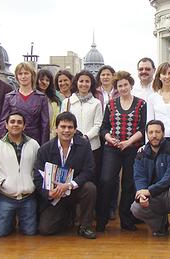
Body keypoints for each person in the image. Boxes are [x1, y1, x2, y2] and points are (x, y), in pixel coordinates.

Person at [34, 112, 98, 239]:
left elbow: (89, 170)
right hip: (55, 194)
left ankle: (85, 226)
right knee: (45, 229)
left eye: (70, 127)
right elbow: (37, 176)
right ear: (56, 128)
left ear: (75, 129)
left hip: (74, 189)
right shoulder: (44, 149)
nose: (66, 130)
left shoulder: (84, 145)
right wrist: (48, 193)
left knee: (90, 188)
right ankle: (68, 216)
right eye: (63, 127)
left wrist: (69, 185)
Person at [97, 70, 147, 232]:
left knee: (129, 183)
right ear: (116, 88)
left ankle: (126, 219)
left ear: (130, 85)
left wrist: (129, 142)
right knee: (106, 180)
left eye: (126, 84)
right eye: (120, 85)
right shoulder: (111, 104)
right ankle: (102, 219)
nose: (123, 88)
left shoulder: (141, 104)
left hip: (133, 148)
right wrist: (109, 138)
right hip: (112, 148)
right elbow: (104, 127)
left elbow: (142, 127)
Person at [130, 120, 170, 243]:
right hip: (153, 198)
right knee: (135, 208)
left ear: (163, 133)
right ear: (147, 135)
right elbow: (139, 177)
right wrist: (142, 195)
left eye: (157, 132)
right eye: (151, 132)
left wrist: (149, 191)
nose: (154, 135)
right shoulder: (141, 154)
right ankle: (160, 224)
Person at [0, 111, 40, 237]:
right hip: (6, 196)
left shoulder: (33, 144)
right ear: (6, 125)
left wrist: (32, 182)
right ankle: (9, 222)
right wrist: (2, 182)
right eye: (12, 122)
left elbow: (39, 168)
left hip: (28, 197)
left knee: (30, 233)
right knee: (0, 233)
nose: (15, 125)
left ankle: (18, 222)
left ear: (24, 126)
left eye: (19, 122)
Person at [61, 70, 103, 188]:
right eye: (81, 81)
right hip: (71, 145)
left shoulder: (96, 103)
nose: (84, 84)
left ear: (91, 84)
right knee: (71, 177)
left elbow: (98, 124)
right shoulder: (67, 102)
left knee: (91, 179)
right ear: (76, 83)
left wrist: (85, 137)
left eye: (87, 81)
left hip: (92, 147)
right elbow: (63, 122)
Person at [93, 65, 120, 220]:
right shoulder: (95, 92)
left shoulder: (119, 91)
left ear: (113, 76)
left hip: (115, 137)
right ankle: (99, 207)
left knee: (113, 175)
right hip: (98, 136)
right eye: (102, 75)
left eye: (108, 74)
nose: (105, 77)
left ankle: (111, 207)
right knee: (100, 173)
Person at [0, 62, 49, 145]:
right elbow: (3, 122)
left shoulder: (41, 98)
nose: (23, 76)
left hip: (34, 140)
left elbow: (45, 125)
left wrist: (44, 147)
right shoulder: (9, 97)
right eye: (20, 74)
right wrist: (2, 143)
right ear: (16, 76)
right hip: (13, 140)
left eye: (26, 73)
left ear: (32, 75)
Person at [36, 69, 61, 139]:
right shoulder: (33, 97)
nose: (44, 82)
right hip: (36, 135)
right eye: (42, 79)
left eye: (47, 80)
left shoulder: (54, 100)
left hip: (51, 136)